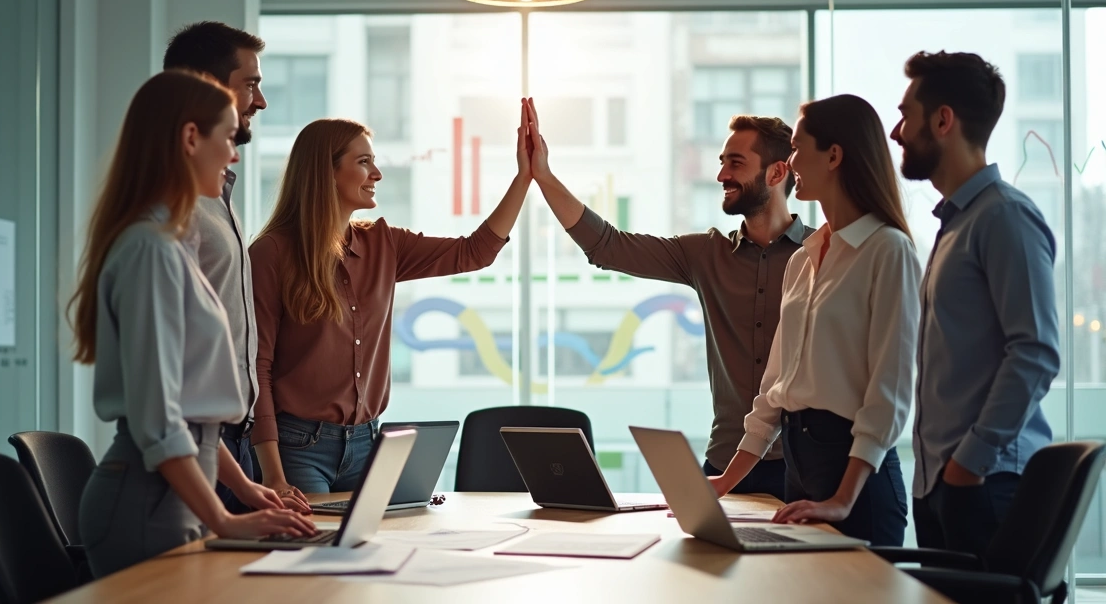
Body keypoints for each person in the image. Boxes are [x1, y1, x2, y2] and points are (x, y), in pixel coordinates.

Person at [69, 70, 316, 578]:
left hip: (171, 494)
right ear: (189, 138)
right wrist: (225, 519)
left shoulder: (168, 245)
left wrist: (246, 491)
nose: (234, 154)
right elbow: (161, 421)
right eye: (227, 136)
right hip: (147, 502)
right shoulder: (150, 250)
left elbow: (189, 414)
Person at [526, 99, 812, 502]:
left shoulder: (823, 254)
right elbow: (608, 246)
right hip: (723, 462)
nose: (720, 175)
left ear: (777, 172)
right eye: (721, 162)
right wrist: (544, 177)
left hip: (804, 471)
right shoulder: (704, 254)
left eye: (735, 163)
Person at [249, 106, 532, 496]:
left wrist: (524, 178)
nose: (377, 174)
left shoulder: (384, 243)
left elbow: (476, 252)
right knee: (314, 552)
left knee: (378, 549)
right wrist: (272, 474)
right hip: (297, 449)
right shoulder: (271, 253)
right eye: (363, 162)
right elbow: (256, 366)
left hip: (369, 445)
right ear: (326, 172)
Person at [705, 94, 920, 546]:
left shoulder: (888, 249)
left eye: (799, 148)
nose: (792, 160)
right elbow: (774, 389)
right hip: (800, 473)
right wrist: (725, 481)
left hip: (856, 484)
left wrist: (842, 500)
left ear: (835, 156)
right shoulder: (804, 257)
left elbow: (889, 392)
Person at [891, 51, 1060, 556]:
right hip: (945, 483)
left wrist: (969, 463)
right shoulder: (956, 224)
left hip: (985, 484)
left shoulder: (1004, 217)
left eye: (905, 115)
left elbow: (1035, 352)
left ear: (943, 120)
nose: (897, 132)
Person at [162, 22, 310, 513]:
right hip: (191, 454)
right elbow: (165, 402)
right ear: (209, 86)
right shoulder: (170, 216)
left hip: (225, 448)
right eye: (251, 83)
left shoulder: (216, 202)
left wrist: (249, 485)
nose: (260, 101)